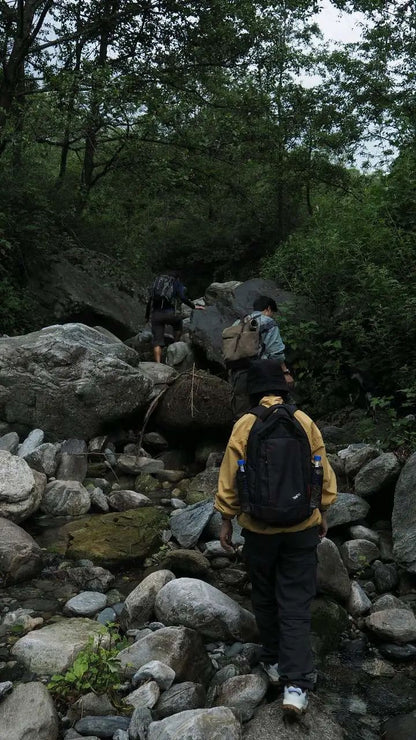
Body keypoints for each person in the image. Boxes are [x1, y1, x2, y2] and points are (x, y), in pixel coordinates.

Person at [214, 360, 337, 716]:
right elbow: (322, 472)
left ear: (254, 390)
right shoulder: (304, 421)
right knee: (296, 604)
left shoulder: (245, 424)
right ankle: (296, 686)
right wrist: (323, 512)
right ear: (282, 389)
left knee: (265, 596)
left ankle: (271, 660)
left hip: (259, 530)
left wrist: (226, 521)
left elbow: (229, 481)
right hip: (302, 528)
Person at [230, 295, 294, 418]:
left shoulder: (238, 323)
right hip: (262, 374)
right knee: (270, 411)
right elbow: (276, 352)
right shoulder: (267, 322)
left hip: (238, 373)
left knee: (243, 414)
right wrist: (285, 372)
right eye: (272, 313)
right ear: (268, 309)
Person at [145, 271, 204, 363]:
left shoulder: (157, 284)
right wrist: (194, 306)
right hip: (170, 314)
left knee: (157, 341)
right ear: (177, 278)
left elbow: (150, 301)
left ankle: (158, 364)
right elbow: (183, 297)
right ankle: (175, 345)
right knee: (178, 324)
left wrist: (147, 316)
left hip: (156, 315)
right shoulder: (176, 283)